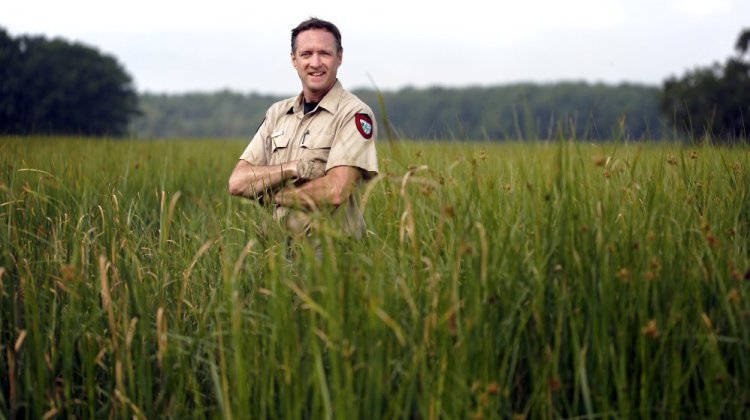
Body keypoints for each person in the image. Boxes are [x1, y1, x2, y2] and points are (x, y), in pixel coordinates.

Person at [228, 18, 378, 238]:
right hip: (274, 251)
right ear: (294, 60)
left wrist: (273, 196)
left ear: (339, 57)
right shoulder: (277, 113)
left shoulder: (353, 113)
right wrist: (291, 168)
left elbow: (336, 190)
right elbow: (237, 182)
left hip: (330, 253)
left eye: (324, 53)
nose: (315, 63)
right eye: (306, 54)